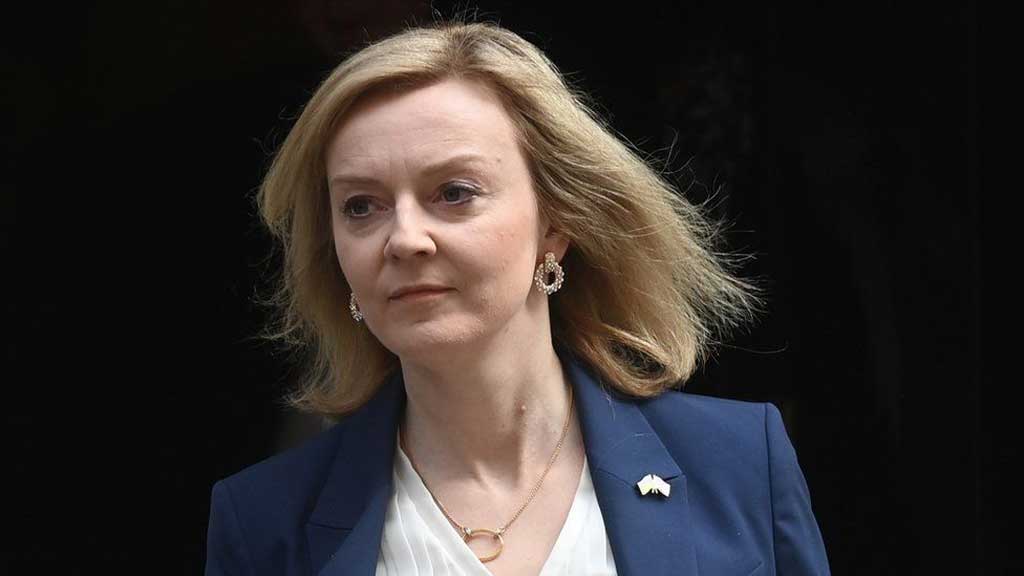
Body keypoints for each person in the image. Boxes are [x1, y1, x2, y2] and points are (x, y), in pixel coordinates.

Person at [205, 20, 831, 576]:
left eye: (454, 192)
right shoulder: (263, 521)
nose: (404, 238)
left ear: (555, 225)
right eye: (360, 206)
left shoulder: (739, 462)